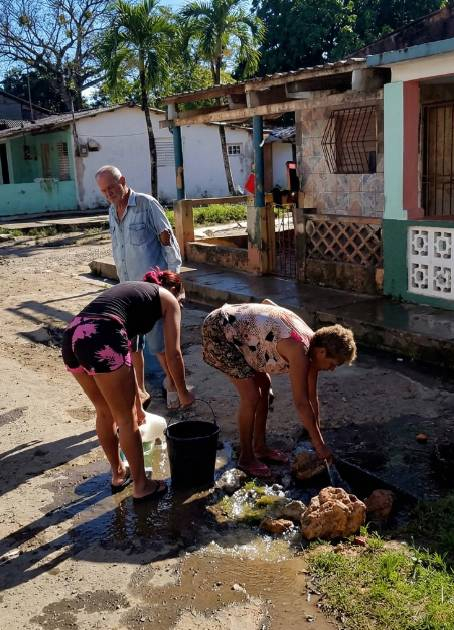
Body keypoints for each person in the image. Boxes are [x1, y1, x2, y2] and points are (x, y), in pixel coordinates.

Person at [63, 271, 195, 501]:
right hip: (102, 334)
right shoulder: (168, 298)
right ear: (175, 290)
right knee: (125, 418)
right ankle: (142, 485)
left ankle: (118, 473)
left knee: (105, 412)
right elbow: (173, 353)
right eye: (181, 300)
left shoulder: (134, 297)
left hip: (73, 335)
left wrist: (139, 405)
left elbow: (128, 360)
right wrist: (183, 393)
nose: (180, 306)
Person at [200, 301, 356, 477]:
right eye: (333, 364)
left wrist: (315, 436)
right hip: (219, 331)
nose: (332, 369)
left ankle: (260, 447)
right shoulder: (299, 350)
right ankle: (246, 457)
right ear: (322, 352)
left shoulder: (313, 345)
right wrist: (320, 446)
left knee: (265, 385)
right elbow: (301, 403)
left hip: (241, 334)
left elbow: (312, 397)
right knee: (252, 396)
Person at [97, 165, 185, 409]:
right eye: (104, 191)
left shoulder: (146, 204)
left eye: (112, 188)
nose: (109, 194)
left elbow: (169, 243)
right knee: (135, 344)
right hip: (127, 292)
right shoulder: (112, 212)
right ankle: (143, 390)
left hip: (153, 291)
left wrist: (174, 284)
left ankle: (174, 386)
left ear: (123, 181)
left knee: (160, 344)